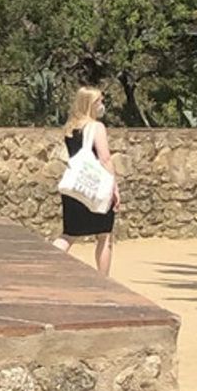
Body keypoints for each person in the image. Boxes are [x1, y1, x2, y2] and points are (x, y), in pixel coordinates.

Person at [54, 84, 117, 278]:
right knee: (105, 235)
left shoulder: (71, 129)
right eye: (99, 101)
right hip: (95, 188)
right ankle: (103, 279)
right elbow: (105, 158)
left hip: (75, 188)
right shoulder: (96, 127)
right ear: (91, 104)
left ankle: (48, 265)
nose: (102, 104)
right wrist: (114, 187)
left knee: (69, 234)